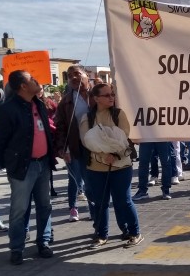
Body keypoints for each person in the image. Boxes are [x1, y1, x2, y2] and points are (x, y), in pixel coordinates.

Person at [0, 70, 55, 266]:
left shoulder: (38, 104)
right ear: (23, 87)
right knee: (19, 209)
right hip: (22, 168)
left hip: (43, 164)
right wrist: (7, 163)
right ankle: (17, 248)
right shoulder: (6, 109)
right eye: (32, 79)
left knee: (45, 205)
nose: (37, 81)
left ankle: (43, 242)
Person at [79, 83, 143, 249]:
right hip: (96, 168)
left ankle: (134, 232)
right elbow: (87, 141)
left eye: (112, 94)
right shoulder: (87, 118)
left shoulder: (118, 114)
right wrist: (103, 154)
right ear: (96, 98)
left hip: (121, 166)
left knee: (124, 200)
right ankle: (101, 235)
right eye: (106, 95)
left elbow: (122, 139)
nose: (111, 98)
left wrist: (112, 153)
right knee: (100, 203)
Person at [54, 65, 93, 223]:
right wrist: (64, 148)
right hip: (75, 146)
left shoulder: (97, 95)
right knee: (74, 179)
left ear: (86, 75)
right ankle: (73, 208)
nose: (73, 78)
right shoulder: (66, 101)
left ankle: (93, 207)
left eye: (77, 74)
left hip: (96, 146)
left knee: (92, 179)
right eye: (70, 76)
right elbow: (60, 126)